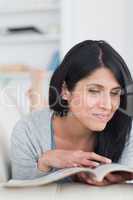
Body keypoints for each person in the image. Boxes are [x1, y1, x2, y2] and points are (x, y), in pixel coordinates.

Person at [10, 40, 133, 186]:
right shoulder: (28, 131)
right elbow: (18, 194)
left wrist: (117, 182)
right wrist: (44, 163)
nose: (107, 105)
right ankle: (35, 90)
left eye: (115, 93)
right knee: (37, 110)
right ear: (64, 90)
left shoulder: (125, 128)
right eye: (94, 91)